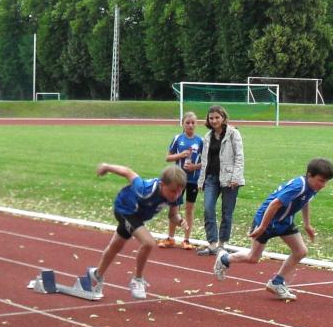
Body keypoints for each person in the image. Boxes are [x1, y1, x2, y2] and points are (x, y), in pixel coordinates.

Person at [213, 158, 333, 301]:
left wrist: (307, 224)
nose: (323, 185)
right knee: (253, 258)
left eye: (326, 181)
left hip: (284, 222)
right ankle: (224, 258)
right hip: (266, 220)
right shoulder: (298, 186)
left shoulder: (313, 187)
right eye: (321, 180)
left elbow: (305, 201)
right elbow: (274, 205)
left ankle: (277, 283)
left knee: (301, 251)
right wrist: (262, 227)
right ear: (309, 175)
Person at [88, 163, 187, 300]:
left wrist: (180, 221)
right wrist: (106, 167)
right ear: (162, 184)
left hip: (137, 217)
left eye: (179, 191)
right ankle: (137, 280)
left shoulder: (176, 194)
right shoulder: (145, 189)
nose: (176, 195)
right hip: (124, 209)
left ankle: (97, 275)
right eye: (173, 191)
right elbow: (128, 172)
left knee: (116, 246)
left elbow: (173, 215)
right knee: (148, 242)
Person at [196, 105, 245, 256]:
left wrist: (236, 177)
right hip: (211, 178)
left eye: (217, 117)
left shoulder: (233, 133)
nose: (214, 120)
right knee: (208, 208)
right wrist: (201, 180)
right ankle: (212, 244)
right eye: (211, 118)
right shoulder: (207, 136)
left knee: (226, 212)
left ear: (223, 118)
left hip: (229, 178)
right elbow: (204, 160)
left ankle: (223, 244)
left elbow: (239, 156)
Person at [159, 111, 204, 250]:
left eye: (193, 123)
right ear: (183, 124)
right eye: (187, 122)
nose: (190, 125)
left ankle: (186, 239)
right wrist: (180, 155)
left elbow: (205, 162)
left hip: (193, 180)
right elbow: (168, 157)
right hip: (178, 180)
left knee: (189, 209)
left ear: (196, 124)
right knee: (174, 208)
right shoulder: (178, 138)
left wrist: (194, 166)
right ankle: (170, 238)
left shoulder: (200, 141)